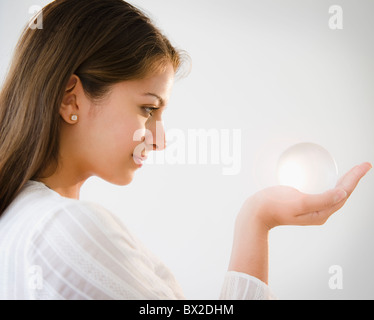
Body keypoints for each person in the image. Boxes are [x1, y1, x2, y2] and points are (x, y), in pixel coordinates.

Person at [0, 0, 371, 300]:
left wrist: (256, 219)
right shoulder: (65, 228)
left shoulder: (19, 219)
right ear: (71, 99)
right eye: (148, 109)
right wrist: (257, 222)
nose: (159, 140)